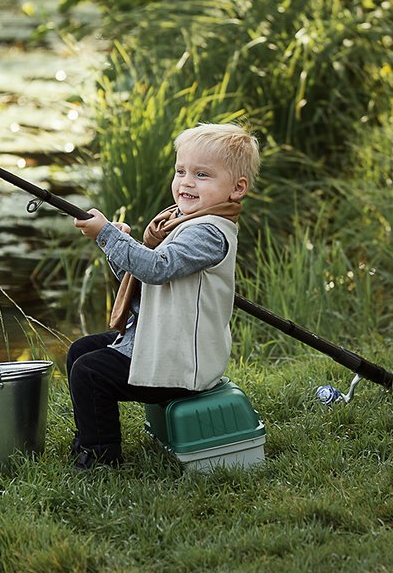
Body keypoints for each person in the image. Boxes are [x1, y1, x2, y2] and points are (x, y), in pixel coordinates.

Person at [67, 123, 261, 470]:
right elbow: (145, 280)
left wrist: (108, 235)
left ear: (237, 188)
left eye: (202, 174)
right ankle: (88, 438)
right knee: (81, 350)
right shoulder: (180, 222)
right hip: (161, 342)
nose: (187, 182)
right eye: (181, 171)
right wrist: (116, 244)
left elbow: (156, 268)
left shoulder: (209, 233)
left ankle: (100, 458)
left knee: (90, 372)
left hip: (181, 363)